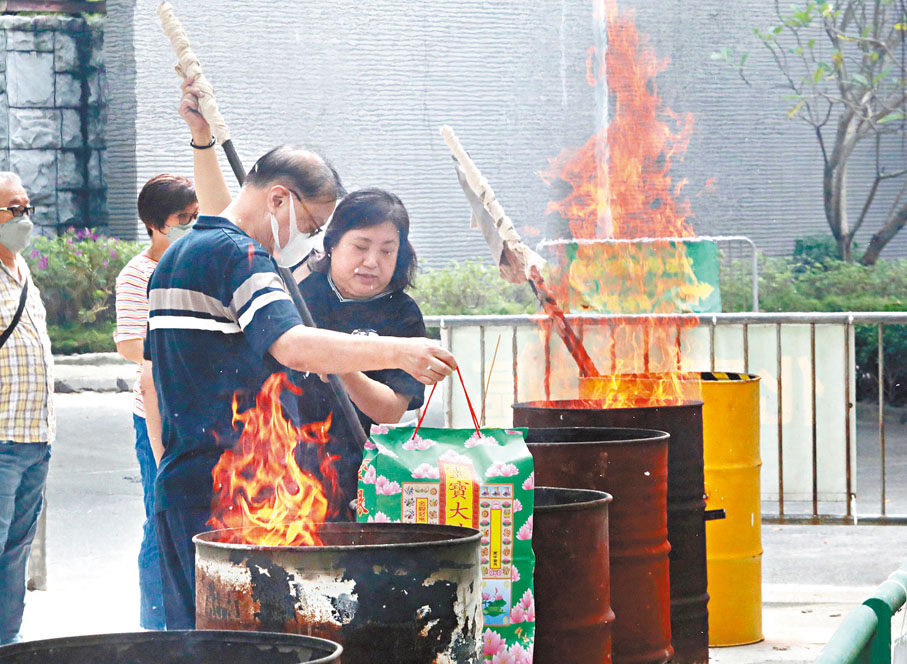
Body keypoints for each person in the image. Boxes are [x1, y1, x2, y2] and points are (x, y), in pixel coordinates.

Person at [141, 79, 457, 629]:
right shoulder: (242, 257)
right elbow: (292, 346)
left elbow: (155, 375)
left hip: (183, 482)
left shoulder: (180, 253)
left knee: (196, 638)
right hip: (235, 490)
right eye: (311, 225)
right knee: (251, 643)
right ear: (279, 199)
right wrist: (400, 350)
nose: (307, 240)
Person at [294, 188, 429, 501]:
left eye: (387, 252)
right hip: (287, 461)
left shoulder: (403, 314)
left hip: (363, 472)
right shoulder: (301, 293)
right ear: (332, 243)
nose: (372, 262)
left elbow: (390, 412)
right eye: (360, 246)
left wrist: (342, 367)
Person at [114, 174, 198, 630]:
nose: (192, 224)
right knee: (158, 518)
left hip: (201, 409)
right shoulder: (137, 274)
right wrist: (181, 346)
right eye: (182, 218)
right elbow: (130, 343)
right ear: (154, 224)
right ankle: (155, 626)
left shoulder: (198, 260)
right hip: (157, 413)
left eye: (196, 215)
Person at [0, 172, 54, 645]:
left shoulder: (21, 270)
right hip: (1, 439)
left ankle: (8, 641)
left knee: (16, 551)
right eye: (12, 210)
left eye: (26, 208)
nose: (24, 218)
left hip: (35, 437)